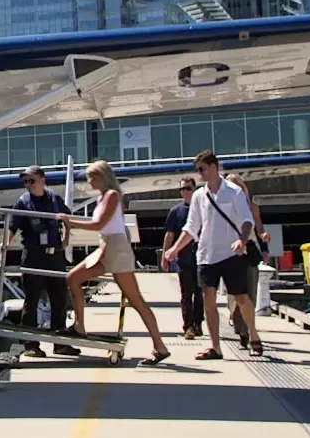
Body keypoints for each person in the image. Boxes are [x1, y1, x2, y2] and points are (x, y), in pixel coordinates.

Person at [55, 160, 171, 364]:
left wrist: (69, 221)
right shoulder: (102, 198)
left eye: (92, 176)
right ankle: (79, 325)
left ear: (102, 176)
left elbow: (99, 224)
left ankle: (159, 346)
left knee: (136, 300)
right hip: (105, 247)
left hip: (116, 250)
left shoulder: (113, 196)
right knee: (72, 278)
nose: (89, 180)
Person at [162, 150, 263, 359]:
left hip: (232, 254)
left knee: (241, 298)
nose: (200, 174)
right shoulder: (199, 196)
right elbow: (191, 228)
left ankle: (253, 335)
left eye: (202, 169)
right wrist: (173, 250)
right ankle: (215, 347)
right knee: (208, 298)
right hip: (206, 255)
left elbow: (247, 221)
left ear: (214, 167)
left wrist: (242, 240)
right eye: (197, 170)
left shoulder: (234, 192)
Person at [0, 165, 80, 357]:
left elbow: (68, 218)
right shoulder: (23, 202)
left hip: (55, 255)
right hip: (33, 255)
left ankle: (60, 342)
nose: (28, 184)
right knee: (32, 301)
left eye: (31, 180)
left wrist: (67, 238)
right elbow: (13, 226)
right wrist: (5, 244)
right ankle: (30, 345)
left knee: (59, 298)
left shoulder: (54, 199)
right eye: (25, 181)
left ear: (43, 180)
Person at [224, 173, 269, 348]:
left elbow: (259, 229)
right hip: (229, 253)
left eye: (238, 186)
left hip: (249, 251)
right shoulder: (224, 207)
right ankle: (239, 326)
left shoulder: (252, 208)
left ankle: (248, 332)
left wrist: (264, 247)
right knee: (234, 297)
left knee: (249, 293)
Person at [163, 176, 202, 339]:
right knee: (186, 294)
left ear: (194, 189)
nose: (185, 192)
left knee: (201, 293)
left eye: (188, 188)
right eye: (182, 189)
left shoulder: (202, 208)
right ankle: (188, 326)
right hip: (184, 259)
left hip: (202, 257)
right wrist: (165, 257)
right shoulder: (176, 212)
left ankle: (198, 323)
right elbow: (169, 235)